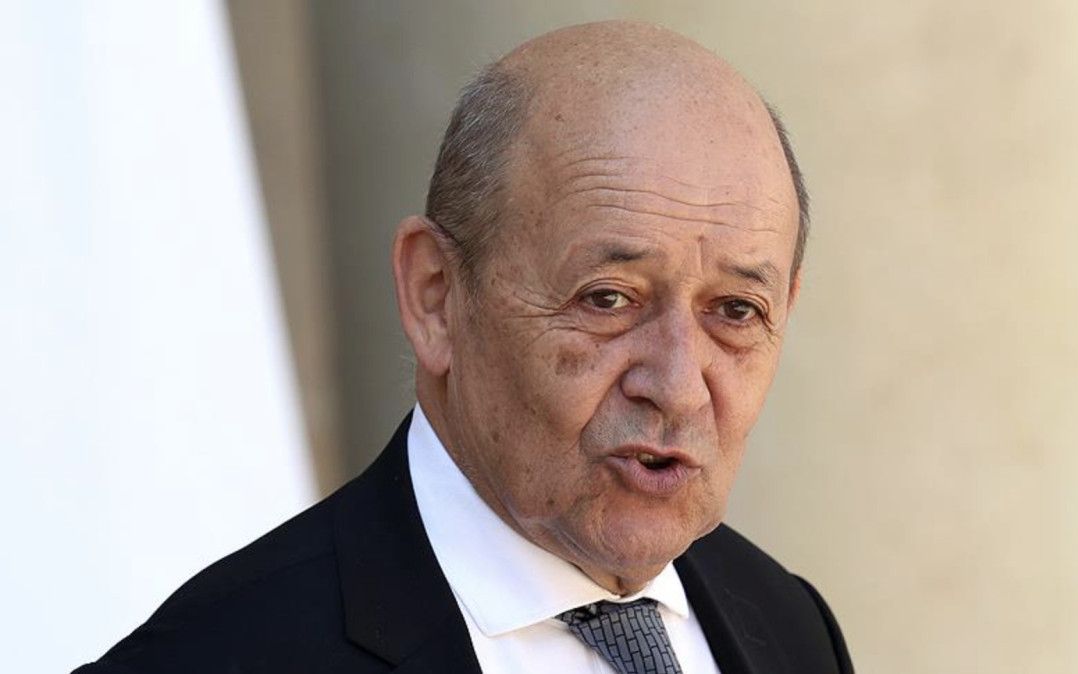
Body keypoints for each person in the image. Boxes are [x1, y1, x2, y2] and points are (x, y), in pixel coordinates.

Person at [75, 20, 852, 674]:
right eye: (608, 299)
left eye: (736, 312)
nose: (678, 386)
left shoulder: (789, 627)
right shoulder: (213, 655)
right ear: (435, 296)